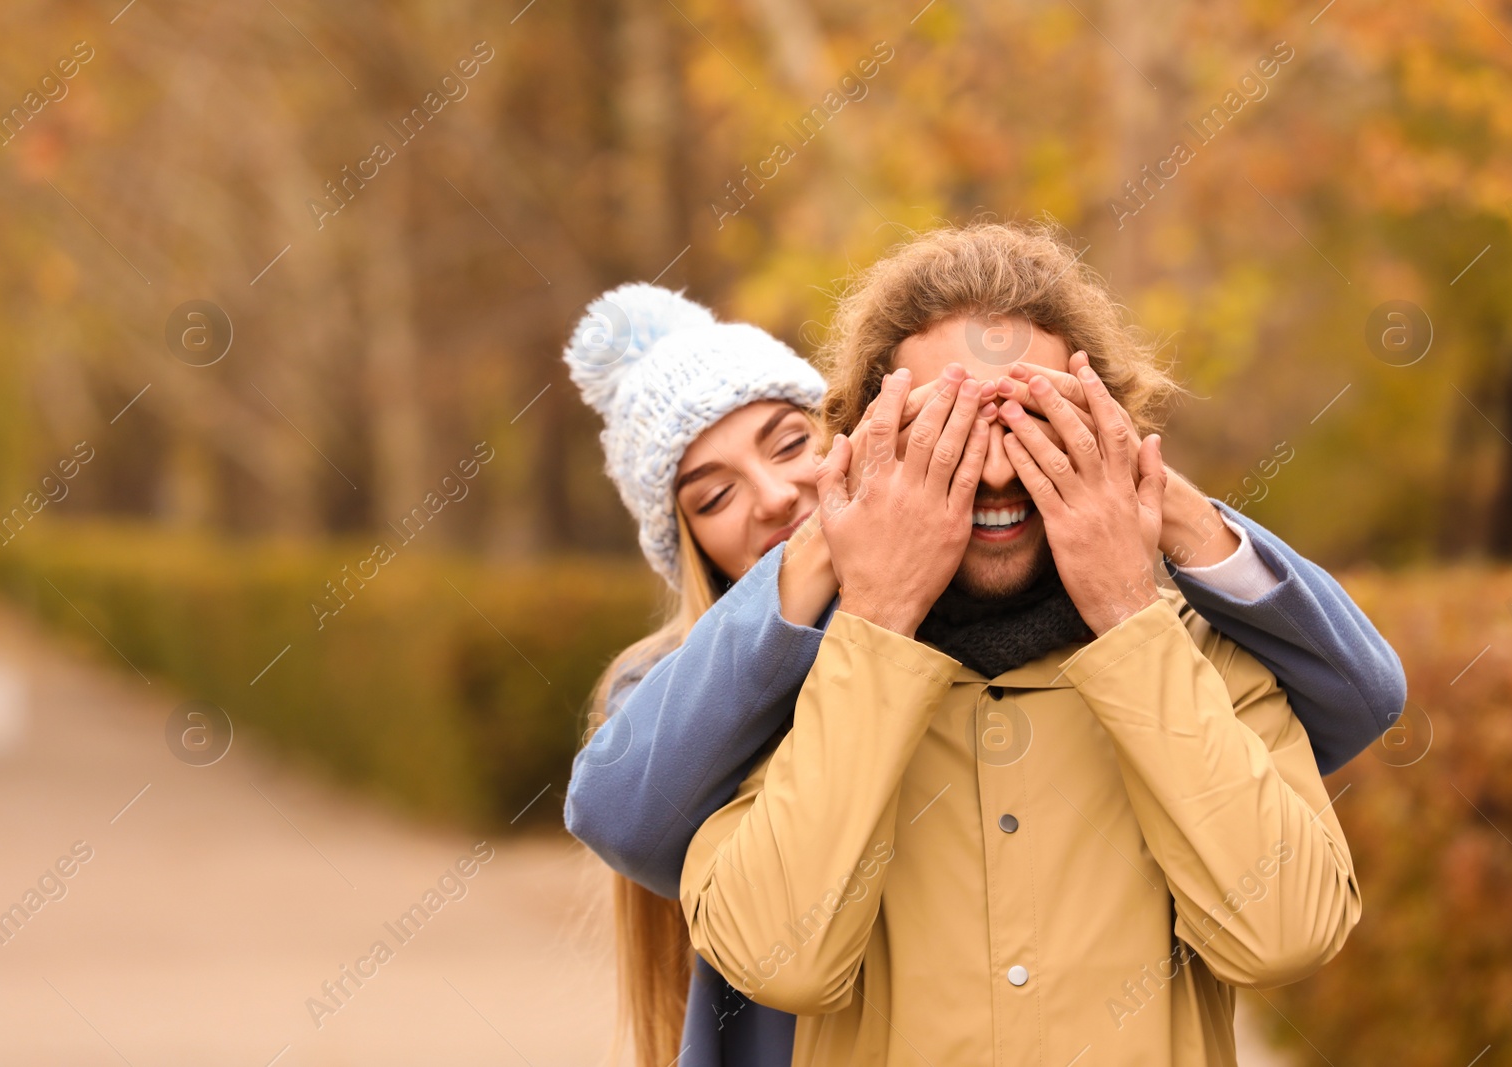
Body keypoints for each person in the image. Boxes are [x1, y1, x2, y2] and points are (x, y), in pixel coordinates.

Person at [564, 261, 1403, 1065]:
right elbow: (776, 950)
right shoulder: (756, 698)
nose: (995, 464)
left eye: (1034, 420)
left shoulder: (1200, 652)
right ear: (866, 447)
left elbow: (1289, 924)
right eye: (950, 429)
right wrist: (876, 603)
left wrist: (1134, 571)